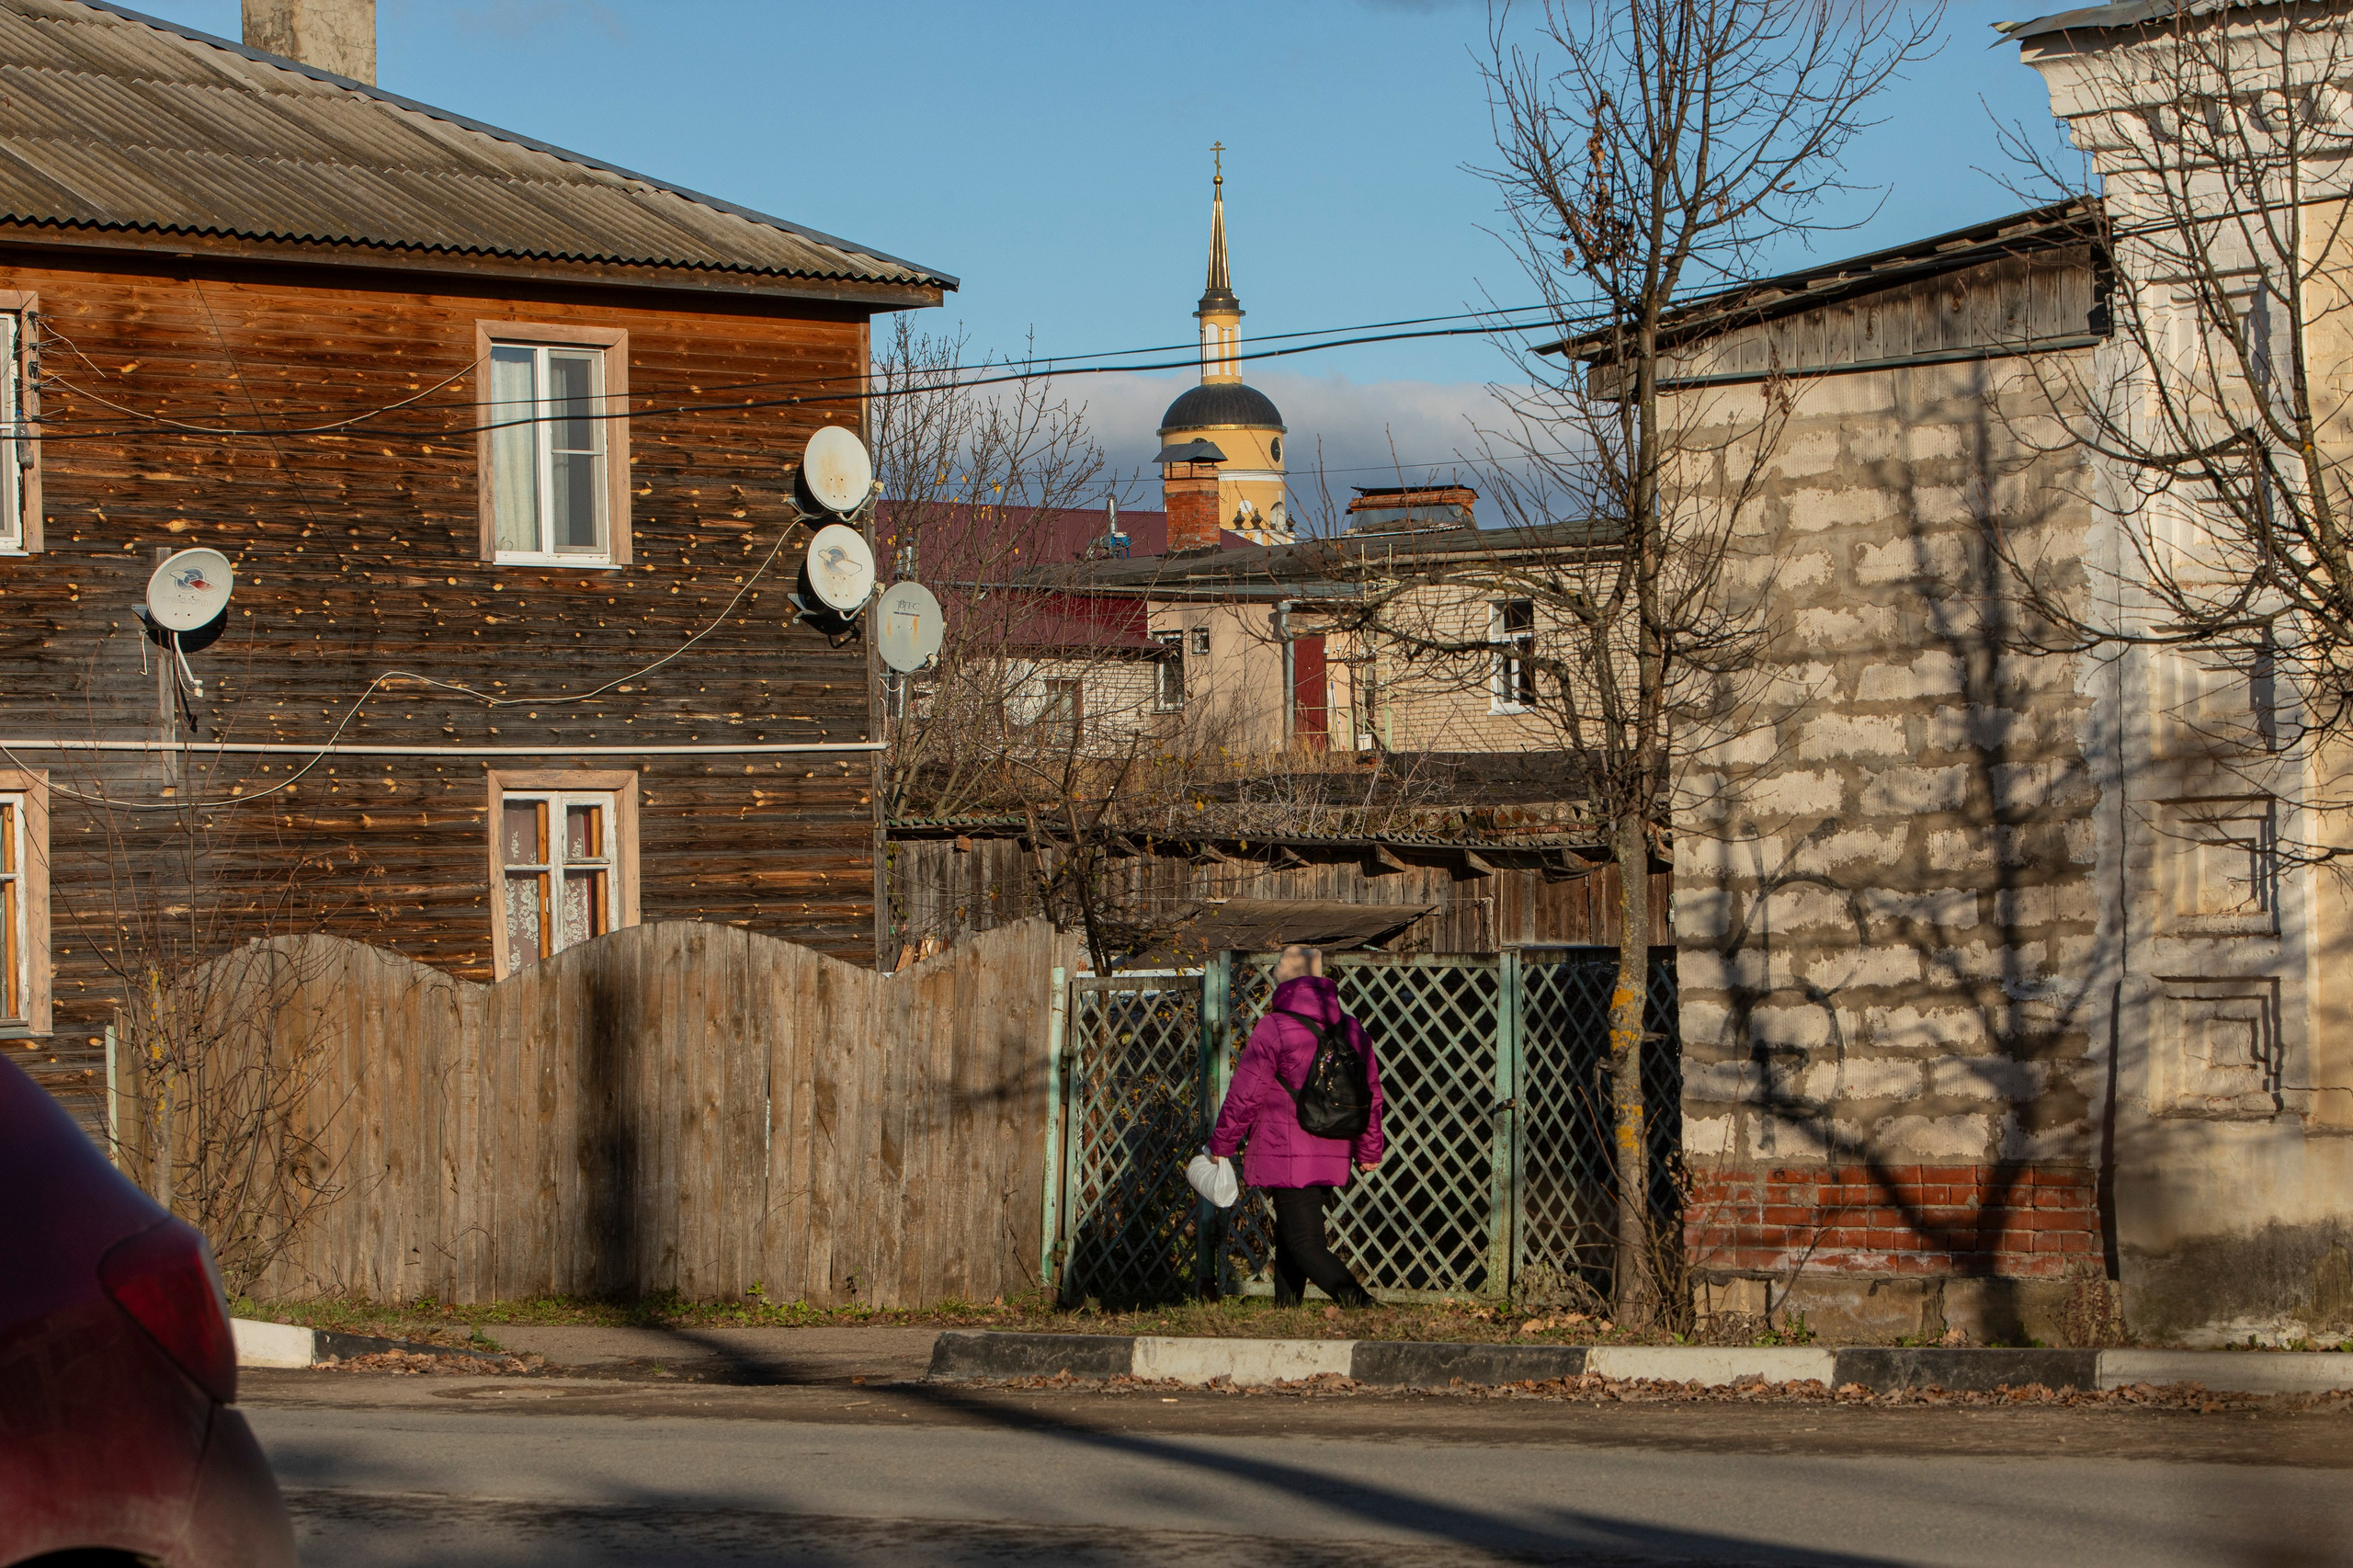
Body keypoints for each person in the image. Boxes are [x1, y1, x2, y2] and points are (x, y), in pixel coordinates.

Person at [1207, 944, 1385, 1308]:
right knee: (1291, 1233)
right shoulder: (1352, 1028)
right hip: (1334, 1145)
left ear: (1285, 982)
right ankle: (1286, 1312)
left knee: (1304, 1242)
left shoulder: (1274, 1028)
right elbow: (1370, 1094)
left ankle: (1360, 1303)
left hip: (1285, 1147)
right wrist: (1369, 1149)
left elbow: (1246, 1094)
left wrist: (1222, 1144)